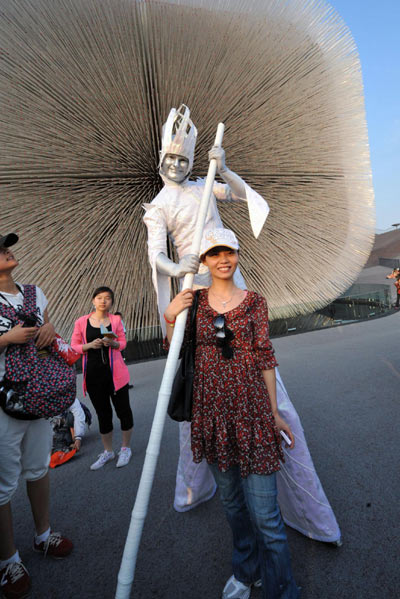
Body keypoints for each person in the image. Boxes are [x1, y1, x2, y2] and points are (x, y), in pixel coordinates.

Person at [143, 104, 341, 550]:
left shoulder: (201, 185)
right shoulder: (158, 205)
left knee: (255, 364)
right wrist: (179, 264)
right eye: (170, 160)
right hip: (193, 289)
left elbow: (236, 195)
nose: (177, 166)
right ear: (160, 161)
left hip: (228, 281)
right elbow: (156, 253)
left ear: (190, 161)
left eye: (183, 160)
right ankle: (201, 481)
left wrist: (224, 167)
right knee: (199, 377)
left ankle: (293, 497)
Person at [164, 228, 300, 599]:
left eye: (230, 252)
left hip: (252, 411)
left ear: (237, 256)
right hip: (211, 413)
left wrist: (274, 413)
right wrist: (170, 314)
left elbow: (265, 357)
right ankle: (246, 569)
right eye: (214, 253)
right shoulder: (194, 300)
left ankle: (283, 590)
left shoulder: (255, 301)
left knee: (266, 517)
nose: (223, 259)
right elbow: (174, 349)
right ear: (205, 262)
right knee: (233, 504)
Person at [0, 233, 73, 599]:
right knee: (2, 483)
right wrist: (5, 339)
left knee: (38, 467)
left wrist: (48, 329)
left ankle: (43, 534)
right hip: (4, 399)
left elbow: (49, 329)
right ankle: (8, 559)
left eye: (6, 246)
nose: (6, 251)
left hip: (38, 392)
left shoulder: (34, 291)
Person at [71, 287, 134, 469]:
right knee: (103, 414)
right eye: (99, 297)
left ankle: (125, 448)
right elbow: (74, 346)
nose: (103, 301)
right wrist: (90, 345)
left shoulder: (115, 320)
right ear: (93, 300)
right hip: (93, 375)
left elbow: (122, 342)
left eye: (107, 298)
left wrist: (114, 343)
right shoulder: (82, 322)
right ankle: (108, 451)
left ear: (111, 302)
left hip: (116, 376)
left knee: (124, 411)